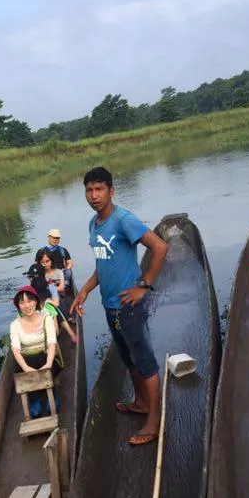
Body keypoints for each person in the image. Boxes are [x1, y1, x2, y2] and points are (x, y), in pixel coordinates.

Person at [72, 166, 168, 445]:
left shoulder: (124, 219)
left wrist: (144, 285)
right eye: (89, 190)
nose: (94, 195)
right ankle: (140, 402)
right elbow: (103, 265)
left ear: (111, 191)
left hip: (129, 305)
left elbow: (160, 248)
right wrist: (85, 290)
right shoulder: (94, 224)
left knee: (145, 362)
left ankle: (153, 422)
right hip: (110, 306)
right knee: (128, 359)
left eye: (99, 189)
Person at [23, 262, 77, 344]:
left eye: (32, 277)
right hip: (36, 323)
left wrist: (46, 301)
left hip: (50, 316)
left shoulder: (50, 288)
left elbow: (56, 303)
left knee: (55, 309)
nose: (30, 279)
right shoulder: (29, 291)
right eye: (30, 277)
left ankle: (72, 334)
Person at [10, 286, 59, 375]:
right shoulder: (14, 325)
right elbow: (16, 350)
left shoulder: (47, 319)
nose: (27, 306)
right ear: (18, 306)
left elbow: (52, 343)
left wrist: (48, 364)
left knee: (45, 366)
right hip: (27, 361)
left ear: (36, 301)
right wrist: (26, 368)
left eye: (30, 301)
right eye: (22, 303)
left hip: (46, 357)